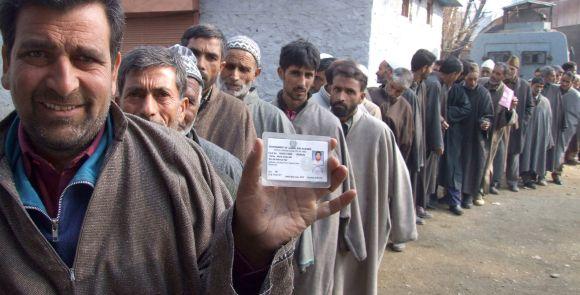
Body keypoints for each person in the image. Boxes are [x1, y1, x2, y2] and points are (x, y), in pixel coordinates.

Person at [0, 1, 356, 293]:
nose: (64, 83)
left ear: (112, 71)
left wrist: (250, 252)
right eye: (38, 54)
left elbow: (214, 279)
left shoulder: (183, 167)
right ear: (5, 63)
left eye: (86, 58)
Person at [270, 39, 365, 295]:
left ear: (316, 79)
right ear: (281, 73)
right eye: (295, 73)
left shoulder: (328, 124)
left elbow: (342, 183)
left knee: (311, 285)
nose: (302, 83)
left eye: (308, 75)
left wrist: (345, 229)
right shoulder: (263, 116)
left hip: (317, 225)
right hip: (271, 222)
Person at [327, 59, 416, 295]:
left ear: (362, 96)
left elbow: (399, 179)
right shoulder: (317, 125)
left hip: (366, 219)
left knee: (355, 281)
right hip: (323, 222)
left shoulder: (378, 132)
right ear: (329, 89)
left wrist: (402, 226)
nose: (341, 97)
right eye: (337, 89)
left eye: (349, 92)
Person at [116, 45, 243, 197]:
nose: (148, 109)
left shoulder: (215, 184)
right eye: (135, 94)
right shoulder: (94, 169)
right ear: (117, 104)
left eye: (162, 95)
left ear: (182, 108)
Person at [181, 24, 257, 162]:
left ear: (221, 67)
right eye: (194, 53)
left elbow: (244, 174)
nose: (200, 64)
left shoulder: (237, 112)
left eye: (211, 57)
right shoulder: (158, 101)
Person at [220, 35, 295, 138]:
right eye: (229, 67)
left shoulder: (274, 118)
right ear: (220, 66)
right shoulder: (204, 109)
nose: (235, 76)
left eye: (243, 69)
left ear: (256, 74)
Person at [436, 57, 472, 216]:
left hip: (452, 134)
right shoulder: (437, 85)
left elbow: (466, 108)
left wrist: (446, 114)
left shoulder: (457, 90)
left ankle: (454, 200)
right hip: (436, 132)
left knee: (453, 166)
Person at [480, 63, 519, 195]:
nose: (494, 76)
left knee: (487, 161)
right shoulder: (481, 83)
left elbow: (504, 120)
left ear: (504, 76)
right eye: (494, 72)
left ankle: (481, 190)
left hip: (493, 132)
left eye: (498, 74)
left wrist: (511, 109)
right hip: (475, 128)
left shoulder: (507, 93)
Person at [460, 62, 493, 208]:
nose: (472, 82)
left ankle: (468, 195)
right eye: (469, 79)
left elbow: (488, 115)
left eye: (475, 79)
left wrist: (485, 122)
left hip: (476, 136)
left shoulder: (483, 93)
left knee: (474, 165)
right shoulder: (458, 90)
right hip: (459, 135)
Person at [504, 56, 534, 192]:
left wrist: (523, 120)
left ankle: (512, 181)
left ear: (517, 69)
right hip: (502, 125)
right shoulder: (502, 84)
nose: (510, 71)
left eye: (513, 68)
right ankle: (494, 181)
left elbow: (530, 106)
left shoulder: (524, 86)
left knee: (514, 154)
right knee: (499, 153)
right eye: (508, 68)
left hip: (517, 127)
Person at [521, 78, 554, 188]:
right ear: (531, 85)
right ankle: (526, 178)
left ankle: (538, 175)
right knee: (526, 154)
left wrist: (548, 135)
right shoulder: (525, 98)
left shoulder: (545, 102)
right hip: (527, 134)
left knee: (538, 154)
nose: (539, 89)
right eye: (537, 86)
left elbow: (549, 120)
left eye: (541, 87)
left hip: (540, 134)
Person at [377, 67, 415, 160]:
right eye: (392, 87)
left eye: (398, 91)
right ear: (389, 79)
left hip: (390, 157)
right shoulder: (371, 94)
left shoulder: (405, 108)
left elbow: (406, 142)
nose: (392, 93)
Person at [540, 66, 566, 184]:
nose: (554, 78)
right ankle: (540, 173)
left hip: (553, 126)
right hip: (541, 125)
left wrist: (562, 124)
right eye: (551, 75)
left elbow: (560, 108)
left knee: (554, 151)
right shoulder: (538, 87)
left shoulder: (556, 90)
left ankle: (555, 174)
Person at [558, 72, 580, 171]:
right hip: (553, 126)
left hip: (568, 128)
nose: (564, 83)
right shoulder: (555, 90)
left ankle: (557, 173)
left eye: (567, 81)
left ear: (572, 83)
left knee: (561, 151)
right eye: (563, 80)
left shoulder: (576, 96)